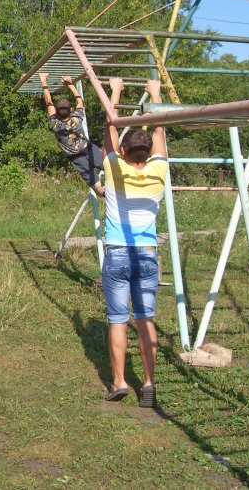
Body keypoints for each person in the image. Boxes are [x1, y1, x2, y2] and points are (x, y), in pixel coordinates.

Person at [100, 77, 167, 408]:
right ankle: (150, 383)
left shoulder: (115, 169)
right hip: (147, 254)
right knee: (146, 319)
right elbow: (160, 133)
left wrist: (114, 92)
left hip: (117, 254)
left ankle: (120, 381)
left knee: (117, 319)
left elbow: (110, 130)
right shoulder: (159, 172)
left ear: (124, 152)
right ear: (150, 152)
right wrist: (155, 96)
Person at [40, 72, 105, 197]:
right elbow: (80, 101)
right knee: (113, 168)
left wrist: (43, 81)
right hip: (89, 150)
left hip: (77, 158)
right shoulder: (76, 119)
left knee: (97, 187)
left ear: (57, 112)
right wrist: (70, 84)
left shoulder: (55, 124)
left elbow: (48, 101)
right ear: (71, 110)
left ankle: (107, 193)